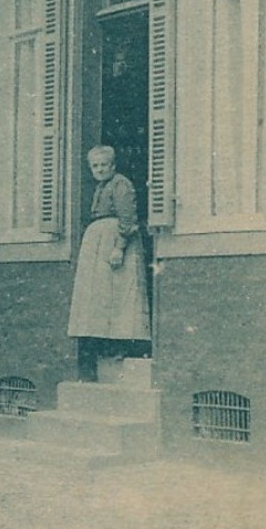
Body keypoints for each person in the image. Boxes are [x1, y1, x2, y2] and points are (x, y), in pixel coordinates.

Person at [67, 145, 151, 376]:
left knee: (120, 295)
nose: (100, 169)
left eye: (104, 165)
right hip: (99, 242)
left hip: (115, 242)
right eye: (95, 166)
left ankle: (123, 347)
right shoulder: (101, 187)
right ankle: (107, 346)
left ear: (113, 165)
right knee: (102, 296)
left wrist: (119, 248)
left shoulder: (121, 184)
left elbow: (128, 219)